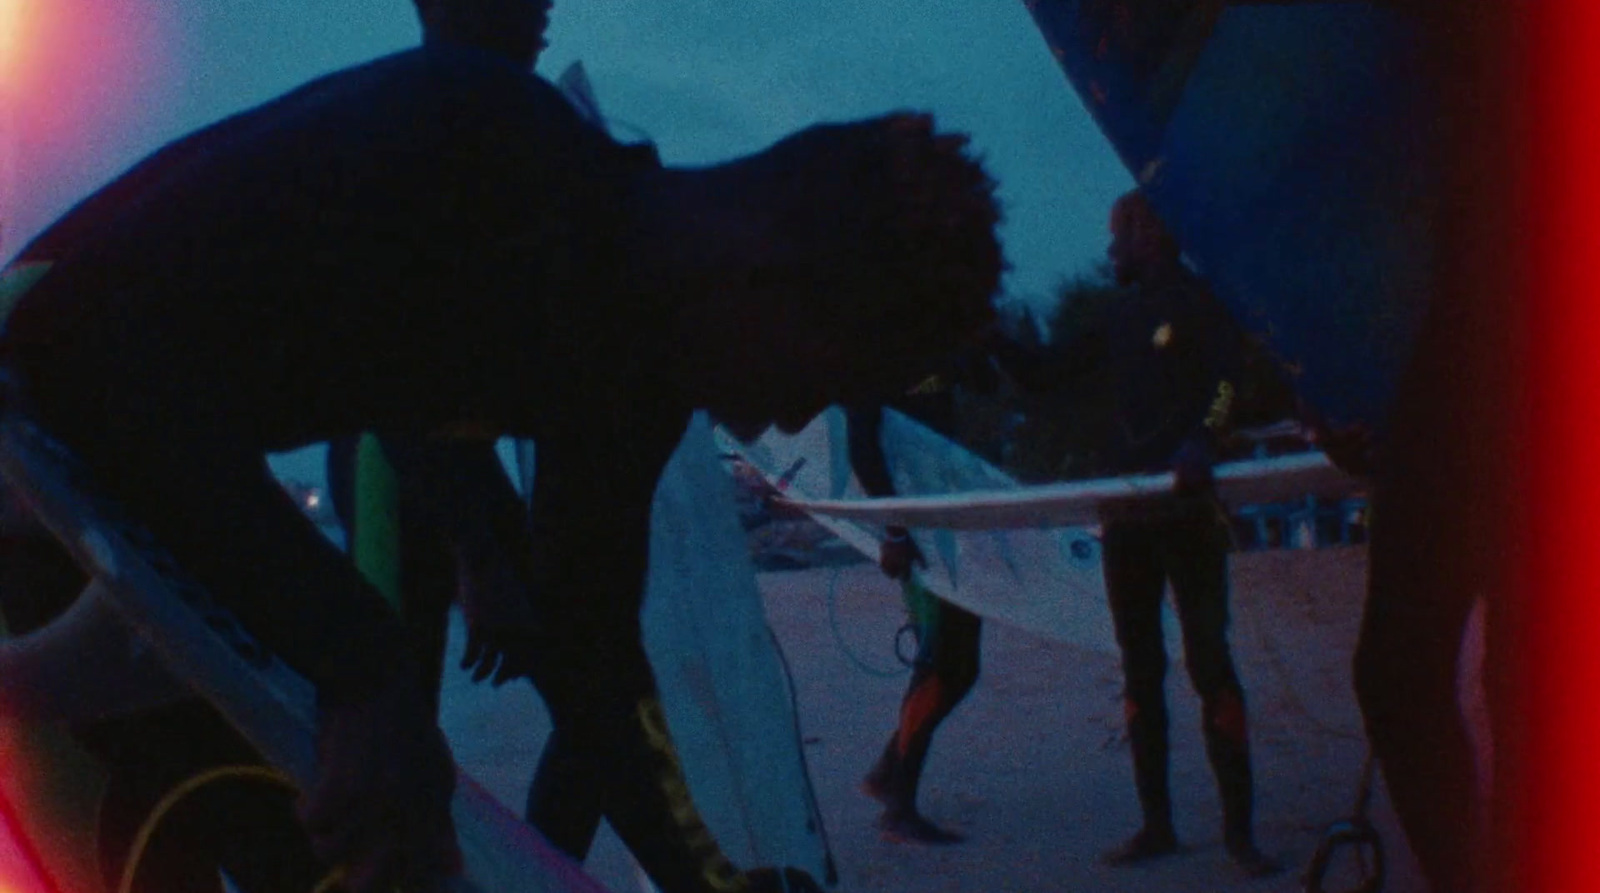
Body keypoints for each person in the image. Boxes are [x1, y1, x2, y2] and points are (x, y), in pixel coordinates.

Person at [0, 33, 1003, 893]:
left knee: (357, 837)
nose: (798, 411)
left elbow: (594, 660)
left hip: (130, 511)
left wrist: (705, 878)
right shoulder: (472, 136)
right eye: (828, 375)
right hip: (30, 436)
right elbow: (90, 343)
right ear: (771, 270)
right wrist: (363, 663)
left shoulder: (631, 385)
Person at [1063, 189, 1280, 877]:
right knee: (1139, 668)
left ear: (1148, 237)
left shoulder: (1199, 303)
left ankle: (1241, 831)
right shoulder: (1115, 314)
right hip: (1127, 515)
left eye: (1118, 238)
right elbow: (1049, 372)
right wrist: (988, 339)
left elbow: (1226, 384)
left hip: (1186, 513)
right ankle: (1156, 823)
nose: (1110, 252)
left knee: (1209, 661)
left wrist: (1201, 440)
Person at [849, 344, 1019, 845]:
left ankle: (887, 772)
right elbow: (862, 445)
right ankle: (898, 805)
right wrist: (895, 530)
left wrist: (973, 338)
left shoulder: (942, 339)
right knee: (944, 665)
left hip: (953, 521)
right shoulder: (877, 349)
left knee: (958, 666)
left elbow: (987, 382)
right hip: (919, 532)